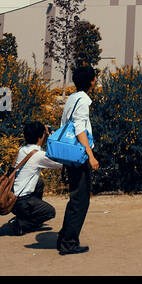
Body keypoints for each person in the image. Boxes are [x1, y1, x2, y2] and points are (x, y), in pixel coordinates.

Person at [56, 65, 100, 255]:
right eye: (95, 77)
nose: (96, 80)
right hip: (79, 155)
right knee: (80, 200)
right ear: (91, 81)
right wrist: (90, 156)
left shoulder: (72, 98)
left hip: (69, 153)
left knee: (76, 197)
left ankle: (64, 237)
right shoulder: (83, 100)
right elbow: (79, 128)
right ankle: (69, 243)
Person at [8, 121, 61, 235]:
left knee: (39, 183)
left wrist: (43, 134)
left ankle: (23, 216)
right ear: (40, 136)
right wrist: (51, 136)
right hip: (21, 202)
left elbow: (38, 147)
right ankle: (22, 224)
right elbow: (59, 163)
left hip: (11, 198)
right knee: (50, 212)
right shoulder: (38, 155)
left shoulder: (22, 149)